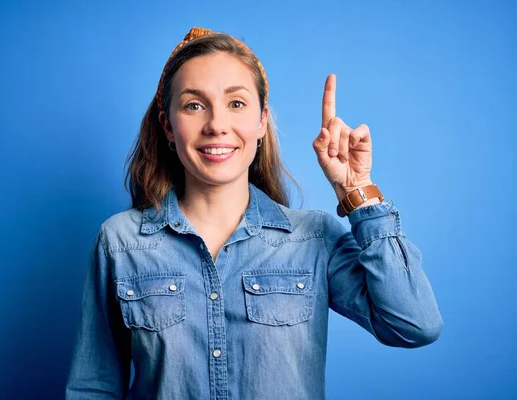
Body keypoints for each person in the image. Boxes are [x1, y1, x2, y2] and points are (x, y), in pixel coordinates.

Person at [65, 26, 443, 400]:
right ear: (168, 125)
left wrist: (356, 190)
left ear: (261, 121)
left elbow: (414, 325)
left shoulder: (313, 239)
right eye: (194, 105)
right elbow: (93, 387)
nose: (216, 125)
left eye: (236, 103)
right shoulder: (119, 243)